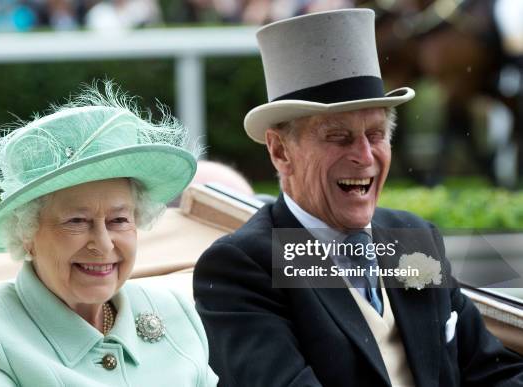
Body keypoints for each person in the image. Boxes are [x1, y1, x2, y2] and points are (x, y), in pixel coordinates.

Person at [193, 9, 523, 387]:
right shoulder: (243, 265)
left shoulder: (411, 236)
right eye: (339, 137)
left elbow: (494, 371)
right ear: (280, 151)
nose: (365, 157)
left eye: (376, 135)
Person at [0, 81, 218, 386]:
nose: (104, 244)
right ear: (26, 234)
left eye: (119, 220)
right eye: (77, 221)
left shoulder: (174, 311)